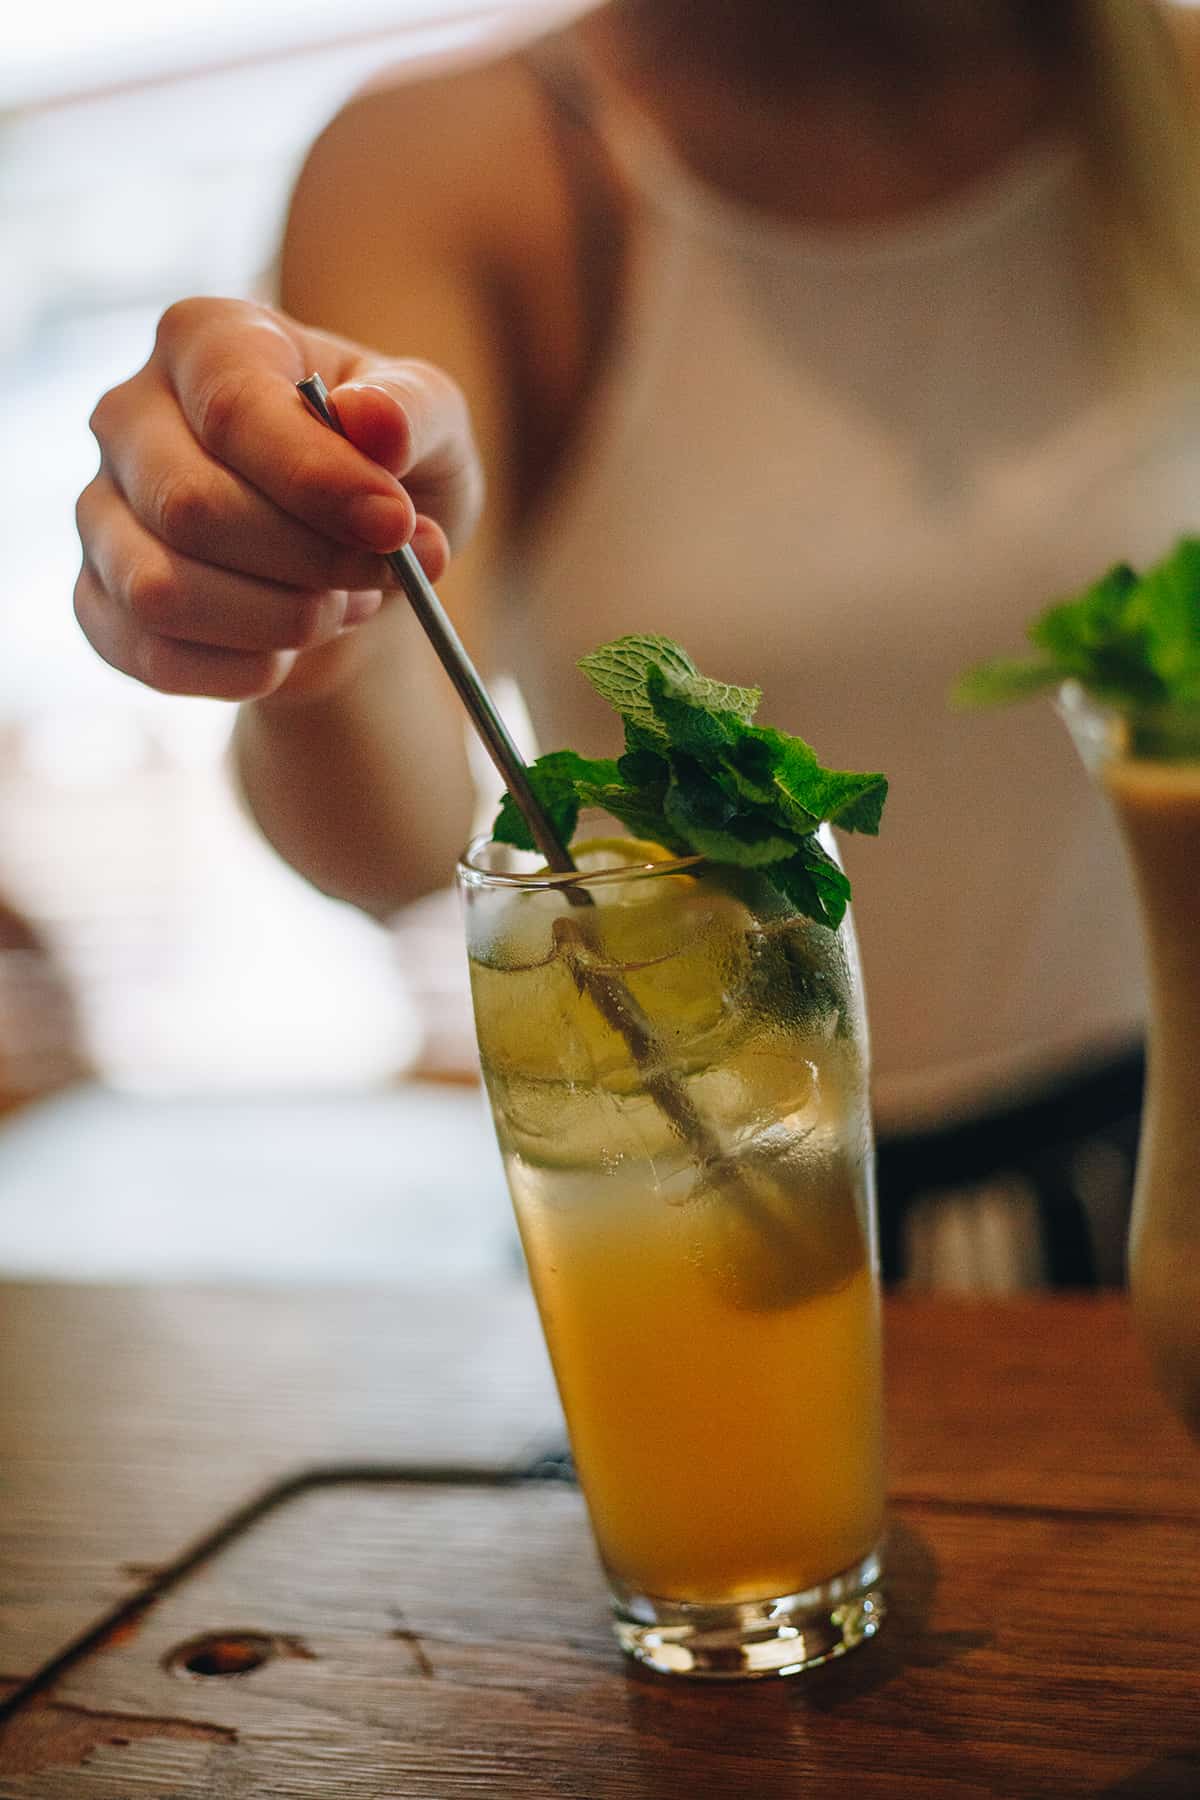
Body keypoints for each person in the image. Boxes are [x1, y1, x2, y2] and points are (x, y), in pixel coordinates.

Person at [74, 1, 1200, 1283]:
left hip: (1170, 1182)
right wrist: (319, 616)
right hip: (699, 1219)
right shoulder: (463, 166)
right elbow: (385, 847)